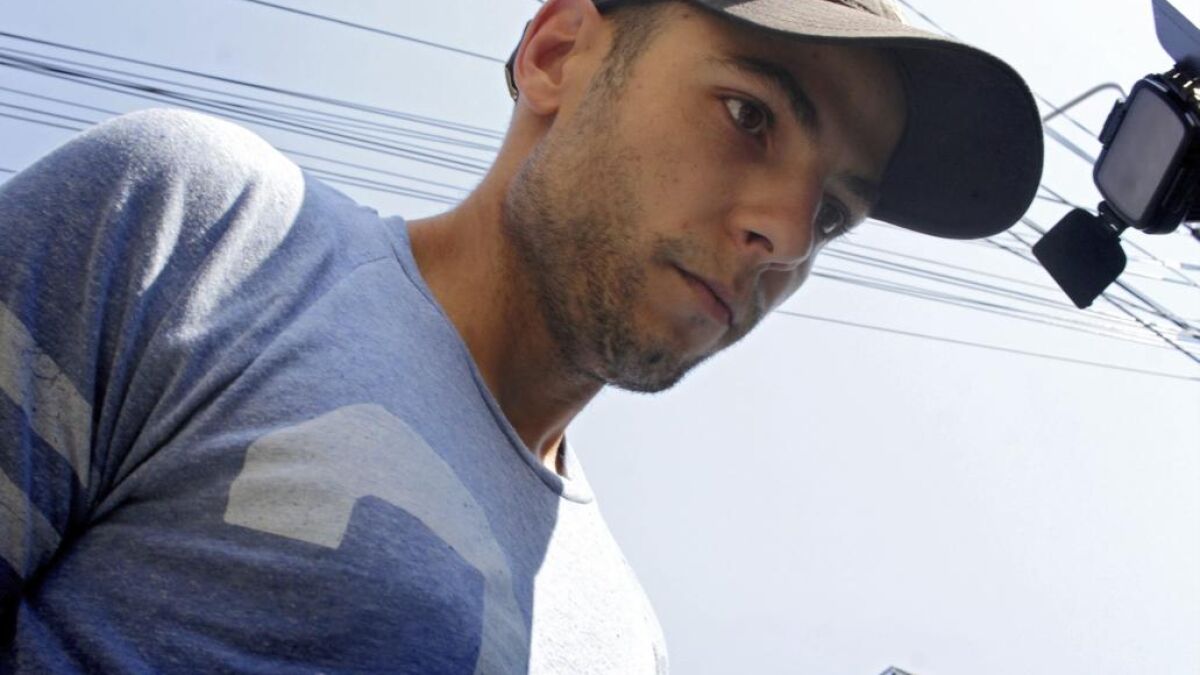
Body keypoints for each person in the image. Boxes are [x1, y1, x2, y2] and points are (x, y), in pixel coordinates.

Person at [0, 0, 1042, 671]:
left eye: (835, 215)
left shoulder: (629, 641)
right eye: (749, 113)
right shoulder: (203, 224)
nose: (787, 235)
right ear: (557, 54)